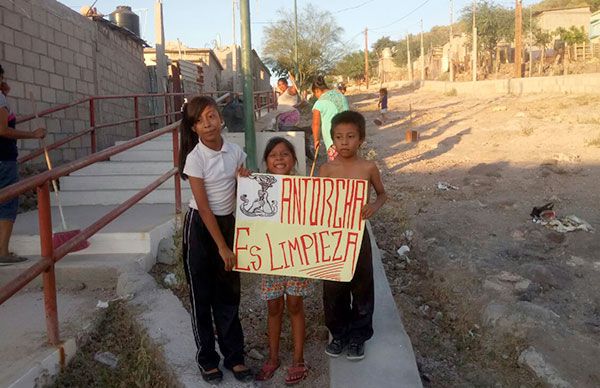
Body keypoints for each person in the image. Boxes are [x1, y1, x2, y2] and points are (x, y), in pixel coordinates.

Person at [178, 95, 253, 383]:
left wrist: (243, 180)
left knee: (229, 293)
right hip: (200, 226)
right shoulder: (194, 159)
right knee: (202, 296)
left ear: (220, 118)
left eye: (211, 116)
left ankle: (235, 357)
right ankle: (208, 359)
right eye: (199, 120)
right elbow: (205, 206)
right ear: (194, 128)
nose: (207, 124)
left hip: (228, 222)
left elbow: (240, 195)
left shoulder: (235, 152)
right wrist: (222, 246)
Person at [318, 110, 387, 361]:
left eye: (350, 136)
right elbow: (315, 203)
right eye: (338, 137)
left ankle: (358, 336)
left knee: (361, 286)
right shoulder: (326, 169)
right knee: (333, 288)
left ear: (361, 139)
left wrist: (373, 207)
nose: (344, 142)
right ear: (332, 139)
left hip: (358, 237)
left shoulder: (368, 168)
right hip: (332, 236)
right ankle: (338, 334)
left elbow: (382, 194)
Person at [255, 137, 310, 385]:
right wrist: (244, 179)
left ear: (294, 159)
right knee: (274, 306)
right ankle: (274, 357)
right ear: (266, 162)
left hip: (297, 256)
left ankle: (298, 359)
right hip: (270, 258)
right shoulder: (257, 188)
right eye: (273, 154)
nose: (279, 158)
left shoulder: (306, 188)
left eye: (285, 154)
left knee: (295, 305)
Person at [0, 64, 46, 265]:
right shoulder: (0, 99)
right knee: (8, 203)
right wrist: (33, 134)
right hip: (3, 158)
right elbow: (3, 130)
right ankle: (3, 252)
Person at [311, 75, 349, 161]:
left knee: (335, 166)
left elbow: (315, 124)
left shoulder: (319, 103)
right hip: (349, 135)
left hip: (333, 140)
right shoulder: (340, 95)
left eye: (315, 94)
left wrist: (316, 140)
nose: (316, 96)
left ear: (317, 90)